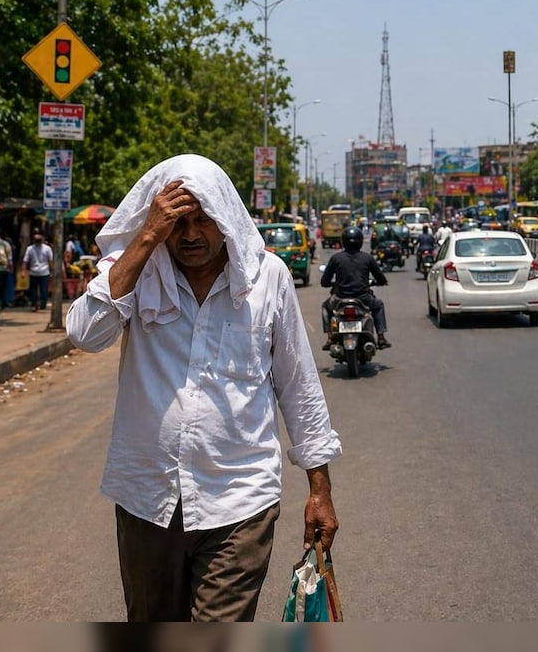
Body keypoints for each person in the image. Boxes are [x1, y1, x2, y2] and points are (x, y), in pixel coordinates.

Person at [65, 154, 341, 622]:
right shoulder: (135, 271)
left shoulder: (267, 278)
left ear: (226, 218)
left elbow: (298, 385)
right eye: (177, 223)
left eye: (202, 221)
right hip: (147, 498)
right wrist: (146, 236)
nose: (190, 235)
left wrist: (320, 489)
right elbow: (85, 334)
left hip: (240, 500)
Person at [322, 225, 391, 349]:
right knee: (378, 305)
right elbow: (380, 277)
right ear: (360, 241)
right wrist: (380, 282)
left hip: (339, 299)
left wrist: (333, 284)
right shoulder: (367, 258)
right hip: (363, 298)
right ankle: (381, 337)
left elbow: (324, 281)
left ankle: (329, 337)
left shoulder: (336, 258)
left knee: (325, 307)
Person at [22, 230, 54, 311]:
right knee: (33, 291)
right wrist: (23, 271)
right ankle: (34, 305)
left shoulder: (47, 249)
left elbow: (50, 261)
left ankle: (43, 304)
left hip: (44, 272)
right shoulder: (30, 249)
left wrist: (52, 272)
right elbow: (25, 261)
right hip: (33, 273)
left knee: (44, 290)